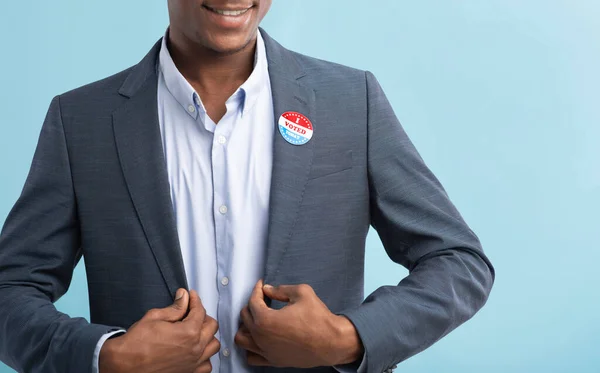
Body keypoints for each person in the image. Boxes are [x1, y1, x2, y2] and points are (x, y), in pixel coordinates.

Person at [0, 1, 495, 372]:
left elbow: (460, 263)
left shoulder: (352, 102)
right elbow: (9, 290)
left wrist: (346, 337)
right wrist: (106, 357)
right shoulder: (81, 121)